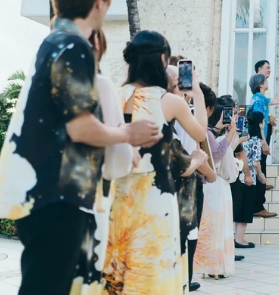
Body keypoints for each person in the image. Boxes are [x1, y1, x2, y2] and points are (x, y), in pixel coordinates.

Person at [0, 0, 161, 295]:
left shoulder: (55, 41)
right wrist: (128, 134)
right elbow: (80, 128)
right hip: (57, 193)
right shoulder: (73, 45)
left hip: (41, 192)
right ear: (99, 1)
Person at [101, 30, 210, 294]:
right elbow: (200, 133)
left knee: (120, 265)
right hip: (155, 197)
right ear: (162, 58)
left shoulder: (116, 94)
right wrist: (196, 91)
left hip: (118, 194)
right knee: (154, 267)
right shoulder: (167, 100)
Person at [71, 28, 139, 294]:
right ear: (97, 45)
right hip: (90, 195)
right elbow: (118, 160)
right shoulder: (100, 85)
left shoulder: (42, 82)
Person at [167, 64, 217, 294]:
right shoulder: (178, 110)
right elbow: (198, 137)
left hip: (174, 181)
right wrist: (207, 170)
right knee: (186, 236)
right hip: (184, 183)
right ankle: (183, 281)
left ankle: (183, 280)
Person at [194, 93, 247, 278]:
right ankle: (217, 267)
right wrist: (238, 165)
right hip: (219, 185)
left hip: (207, 185)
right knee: (219, 227)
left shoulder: (207, 133)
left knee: (208, 226)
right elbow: (224, 161)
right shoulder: (213, 136)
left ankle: (206, 267)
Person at [248, 70, 279, 217]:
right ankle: (258, 207)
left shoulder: (259, 98)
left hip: (259, 139)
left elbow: (277, 100)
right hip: (258, 139)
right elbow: (258, 123)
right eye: (265, 81)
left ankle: (257, 206)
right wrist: (264, 142)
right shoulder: (258, 100)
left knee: (260, 170)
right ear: (260, 84)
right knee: (260, 171)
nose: (267, 82)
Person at [234, 111, 267, 248]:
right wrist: (260, 175)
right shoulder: (256, 141)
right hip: (249, 178)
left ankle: (236, 238)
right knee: (246, 210)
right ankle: (240, 239)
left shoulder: (242, 137)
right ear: (260, 123)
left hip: (237, 176)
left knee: (239, 208)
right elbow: (255, 162)